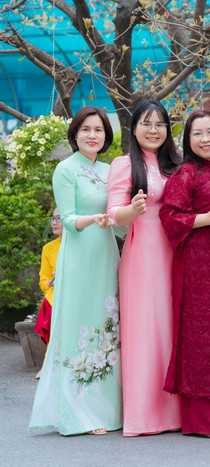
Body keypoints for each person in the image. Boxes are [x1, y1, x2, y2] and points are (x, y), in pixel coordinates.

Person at [28, 106, 122, 436]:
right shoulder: (66, 170)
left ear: (106, 136)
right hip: (80, 257)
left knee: (107, 327)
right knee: (80, 326)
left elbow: (119, 222)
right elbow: (67, 219)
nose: (92, 135)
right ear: (75, 134)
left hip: (106, 255)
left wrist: (130, 216)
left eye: (98, 130)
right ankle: (80, 413)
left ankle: (108, 411)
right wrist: (93, 219)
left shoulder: (111, 170)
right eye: (86, 129)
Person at [107, 99, 181, 436]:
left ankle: (177, 411)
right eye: (146, 124)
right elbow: (114, 214)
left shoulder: (176, 164)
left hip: (176, 252)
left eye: (160, 124)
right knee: (145, 330)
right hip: (142, 256)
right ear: (133, 128)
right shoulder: (124, 165)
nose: (153, 130)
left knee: (172, 328)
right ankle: (144, 415)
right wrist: (132, 210)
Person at [158, 109, 210, 438]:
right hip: (199, 263)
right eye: (197, 133)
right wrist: (205, 218)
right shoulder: (186, 173)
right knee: (204, 335)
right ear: (188, 140)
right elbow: (169, 217)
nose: (205, 139)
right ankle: (206, 419)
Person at [34, 208, 63, 347]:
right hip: (54, 302)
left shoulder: (79, 246)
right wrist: (50, 282)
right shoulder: (48, 248)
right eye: (53, 218)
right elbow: (43, 280)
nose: (54, 222)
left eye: (59, 218)